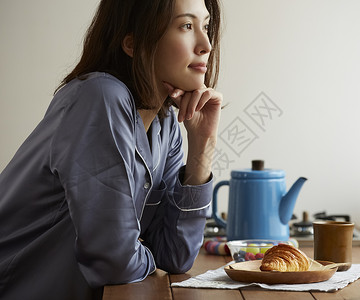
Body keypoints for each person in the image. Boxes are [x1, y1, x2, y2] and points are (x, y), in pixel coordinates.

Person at [0, 0, 222, 299]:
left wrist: (202, 147)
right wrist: (139, 252)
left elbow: (175, 256)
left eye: (205, 26)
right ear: (133, 43)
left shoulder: (166, 123)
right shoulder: (100, 97)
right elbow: (115, 262)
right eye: (186, 25)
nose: (206, 44)